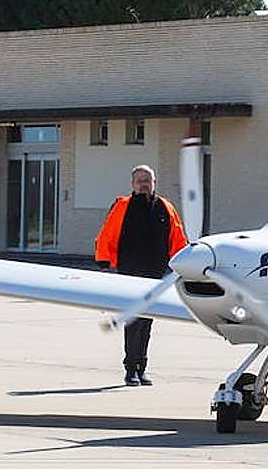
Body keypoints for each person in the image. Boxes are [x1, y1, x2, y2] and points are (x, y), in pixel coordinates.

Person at [94, 164, 187, 386]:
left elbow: (178, 237)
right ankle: (130, 369)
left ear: (154, 183)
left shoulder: (165, 207)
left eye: (147, 180)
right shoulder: (122, 206)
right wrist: (104, 264)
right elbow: (107, 234)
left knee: (147, 322)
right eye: (139, 180)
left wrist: (183, 263)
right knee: (133, 321)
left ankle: (142, 367)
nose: (144, 183)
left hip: (155, 274)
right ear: (132, 184)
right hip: (129, 273)